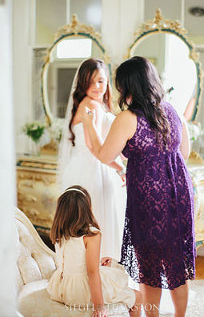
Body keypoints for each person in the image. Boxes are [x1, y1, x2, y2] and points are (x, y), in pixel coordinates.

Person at [81, 56, 195, 317]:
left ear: (127, 85)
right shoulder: (172, 111)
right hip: (179, 193)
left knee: (150, 267)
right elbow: (185, 152)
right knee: (177, 264)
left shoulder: (128, 118)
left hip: (149, 199)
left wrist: (89, 123)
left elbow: (104, 155)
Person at [57, 58, 126, 261]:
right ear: (82, 82)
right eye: (91, 81)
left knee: (87, 225)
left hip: (83, 168)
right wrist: (120, 169)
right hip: (93, 170)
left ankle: (90, 271)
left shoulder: (90, 104)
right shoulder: (92, 106)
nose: (97, 86)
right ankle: (98, 275)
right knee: (98, 224)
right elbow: (93, 147)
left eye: (101, 81)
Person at [46, 185, 140, 317]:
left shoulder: (59, 231)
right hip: (81, 292)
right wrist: (99, 307)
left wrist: (97, 263)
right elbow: (92, 272)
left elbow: (74, 262)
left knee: (109, 270)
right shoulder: (91, 234)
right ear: (87, 209)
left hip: (62, 288)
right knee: (137, 296)